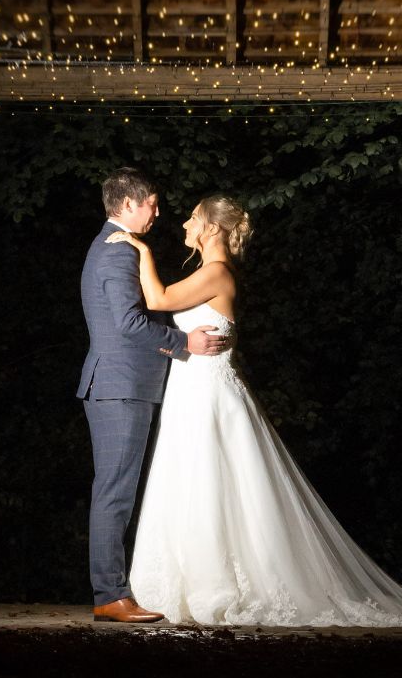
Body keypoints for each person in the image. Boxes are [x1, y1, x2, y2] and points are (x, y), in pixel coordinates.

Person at [106, 194, 402, 628]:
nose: (184, 224)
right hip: (192, 389)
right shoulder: (207, 271)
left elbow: (156, 300)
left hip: (209, 393)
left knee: (213, 480)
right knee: (197, 480)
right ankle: (191, 579)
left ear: (212, 228)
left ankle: (216, 583)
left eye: (193, 218)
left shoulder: (215, 272)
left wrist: (141, 250)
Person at [77, 167, 232, 623]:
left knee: (116, 491)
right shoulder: (117, 252)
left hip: (121, 385)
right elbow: (128, 323)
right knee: (114, 494)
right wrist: (185, 343)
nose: (158, 212)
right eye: (152, 203)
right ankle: (109, 595)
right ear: (128, 204)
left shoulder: (115, 247)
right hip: (119, 386)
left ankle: (113, 592)